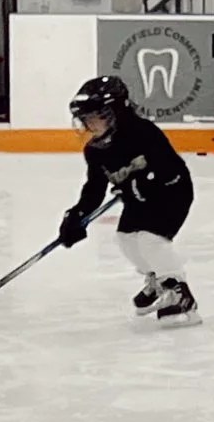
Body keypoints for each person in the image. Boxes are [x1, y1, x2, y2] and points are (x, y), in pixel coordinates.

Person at [59, 75, 200, 325]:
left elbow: (167, 169)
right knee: (126, 239)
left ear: (116, 111)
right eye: (86, 120)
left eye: (95, 117)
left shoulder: (143, 133)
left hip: (172, 192)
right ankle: (157, 280)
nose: (90, 125)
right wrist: (77, 215)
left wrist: (141, 182)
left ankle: (179, 292)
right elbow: (94, 188)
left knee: (150, 240)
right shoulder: (95, 150)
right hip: (136, 198)